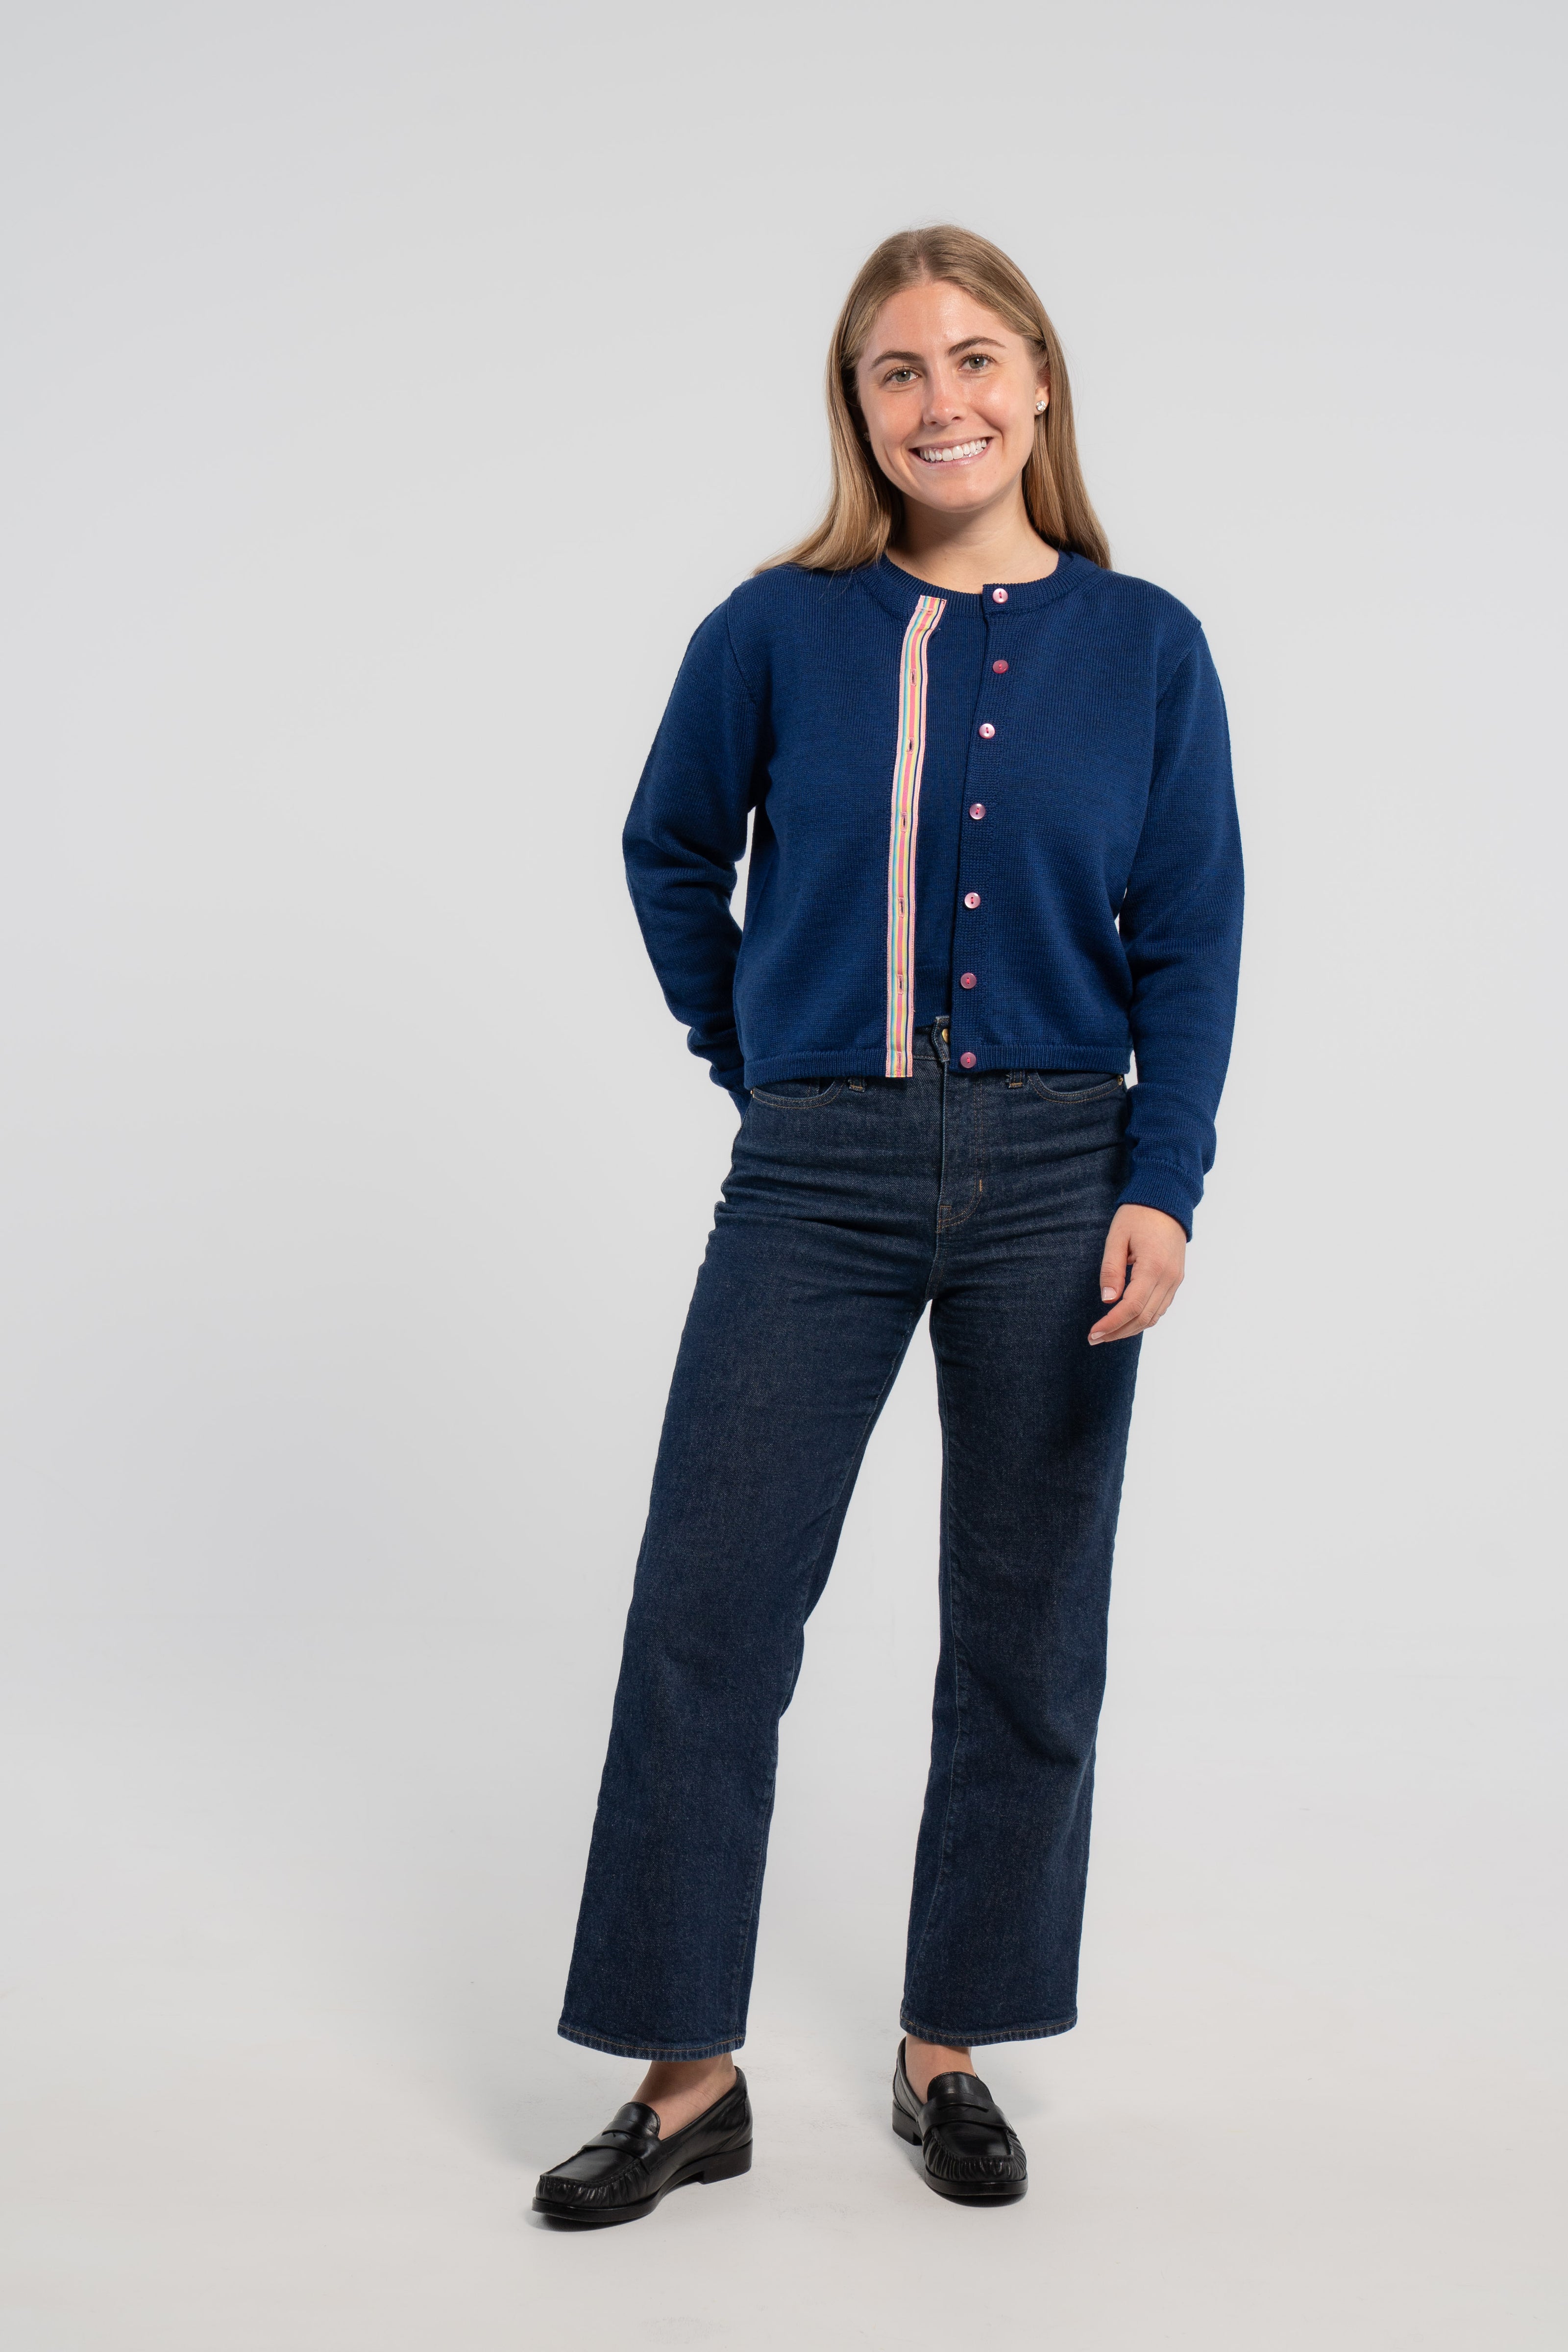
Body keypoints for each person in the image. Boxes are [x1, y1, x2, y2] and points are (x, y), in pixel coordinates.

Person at [533, 225, 1243, 2226]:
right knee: (708, 1613)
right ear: (857, 413)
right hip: (817, 1169)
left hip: (1057, 1169)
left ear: (1038, 388)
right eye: (894, 373)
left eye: (973, 359)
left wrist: (1158, 1186)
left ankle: (951, 2048)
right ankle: (686, 2079)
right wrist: (750, 1044)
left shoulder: (1144, 643)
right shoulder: (774, 630)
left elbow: (1187, 934)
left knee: (1026, 1633)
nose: (940, 401)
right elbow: (670, 847)